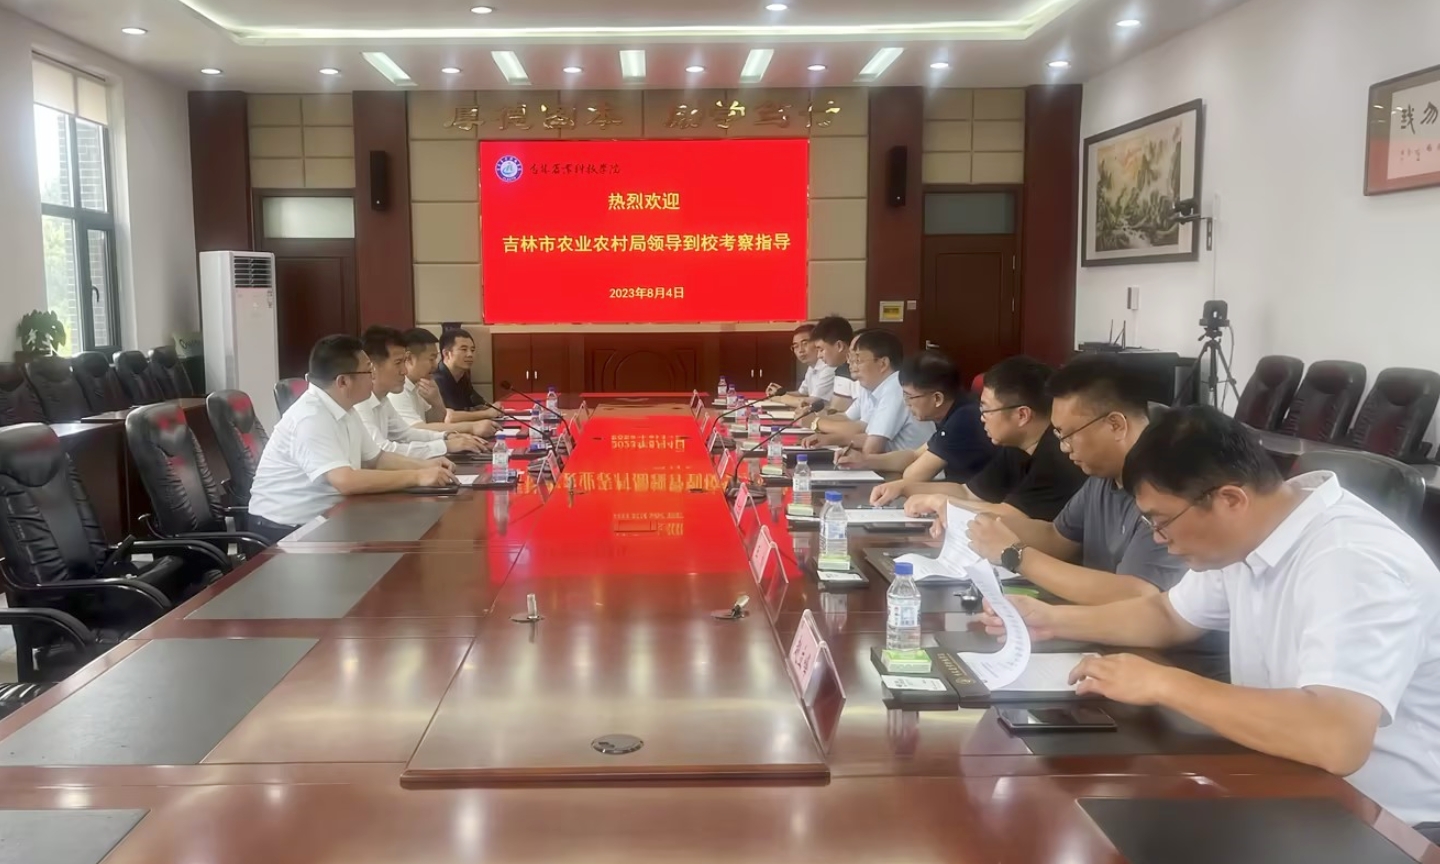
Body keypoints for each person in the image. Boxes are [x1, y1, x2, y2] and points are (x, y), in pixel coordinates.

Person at [984, 406, 1440, 841]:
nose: (1159, 539)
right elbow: (1167, 615)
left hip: (1386, 824)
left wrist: (1164, 683)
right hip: (1287, 778)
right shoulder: (1255, 530)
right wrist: (1052, 620)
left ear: (1230, 499)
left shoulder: (1351, 562)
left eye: (1163, 522)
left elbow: (1335, 738)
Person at [247, 335, 456, 544]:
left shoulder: (346, 407)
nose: (373, 376)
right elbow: (345, 481)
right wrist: (418, 476)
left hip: (329, 518)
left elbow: (377, 458)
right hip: (286, 532)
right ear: (343, 381)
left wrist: (426, 465)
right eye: (368, 370)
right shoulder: (310, 417)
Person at [887, 355, 1085, 520]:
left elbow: (1013, 516)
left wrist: (941, 503)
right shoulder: (1016, 446)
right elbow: (969, 493)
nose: (981, 418)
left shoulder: (1059, 455)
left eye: (987, 410)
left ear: (1022, 415)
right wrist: (904, 488)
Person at [835, 349, 993, 483]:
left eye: (910, 396)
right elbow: (915, 455)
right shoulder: (956, 410)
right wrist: (863, 460)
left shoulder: (964, 418)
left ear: (937, 398)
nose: (907, 403)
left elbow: (913, 476)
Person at [357, 326, 487, 459]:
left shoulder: (383, 399)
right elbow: (381, 451)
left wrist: (447, 436)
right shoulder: (360, 402)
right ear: (372, 367)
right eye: (398, 363)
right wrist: (446, 445)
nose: (404, 370)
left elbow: (406, 434)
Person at [805, 329, 933, 455]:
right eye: (851, 359)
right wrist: (829, 439)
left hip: (912, 466)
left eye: (858, 360)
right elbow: (868, 435)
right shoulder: (877, 388)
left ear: (883, 364)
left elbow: (872, 448)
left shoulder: (896, 388)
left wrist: (815, 423)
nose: (852, 365)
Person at [389, 328, 498, 438]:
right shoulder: (397, 390)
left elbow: (435, 421)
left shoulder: (419, 384)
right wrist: (471, 427)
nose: (435, 365)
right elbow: (416, 429)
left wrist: (437, 401)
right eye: (431, 359)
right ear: (409, 358)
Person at [433, 328, 501, 423]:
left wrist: (493, 408)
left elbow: (478, 403)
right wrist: (487, 413)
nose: (470, 354)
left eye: (472, 350)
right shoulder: (436, 380)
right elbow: (448, 417)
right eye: (464, 349)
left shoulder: (463, 376)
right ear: (446, 354)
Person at [768, 324, 836, 406]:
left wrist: (780, 398)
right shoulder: (811, 367)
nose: (800, 350)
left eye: (805, 343)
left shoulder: (829, 367)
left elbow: (812, 402)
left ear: (818, 343)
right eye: (796, 346)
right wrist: (780, 392)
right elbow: (802, 394)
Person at [807, 316, 856, 413]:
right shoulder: (841, 369)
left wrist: (813, 418)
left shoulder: (848, 371)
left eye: (821, 349)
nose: (819, 356)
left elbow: (837, 413)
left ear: (839, 346)